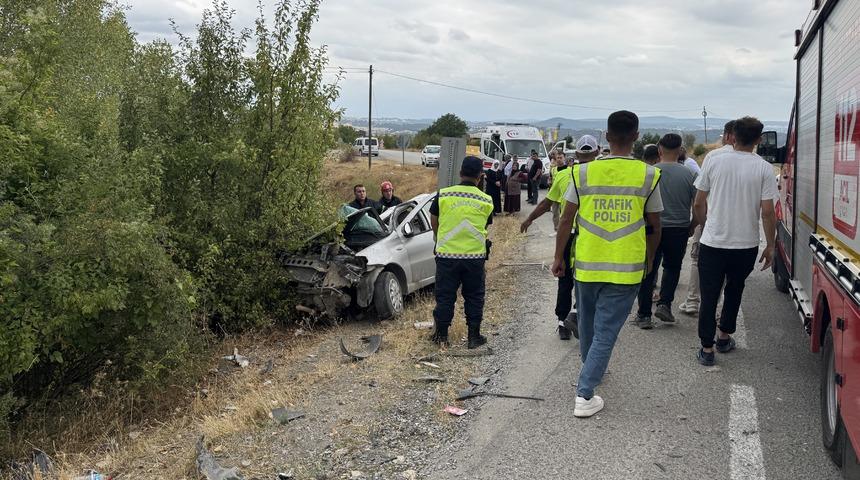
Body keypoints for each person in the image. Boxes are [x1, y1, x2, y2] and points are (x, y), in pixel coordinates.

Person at [553, 111, 662, 417]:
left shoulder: (582, 173)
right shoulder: (648, 175)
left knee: (588, 324)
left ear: (606, 136)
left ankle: (592, 368)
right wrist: (650, 258)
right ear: (637, 137)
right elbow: (655, 225)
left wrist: (559, 256)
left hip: (587, 262)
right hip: (626, 266)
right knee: (606, 331)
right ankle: (585, 394)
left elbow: (566, 219)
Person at [693, 117, 777, 366]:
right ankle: (723, 336)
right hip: (745, 244)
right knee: (734, 289)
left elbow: (699, 202)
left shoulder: (713, 159)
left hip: (713, 242)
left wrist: (706, 225)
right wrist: (770, 245)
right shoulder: (763, 168)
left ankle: (707, 349)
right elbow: (768, 212)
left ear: (733, 136)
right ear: (759, 140)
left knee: (709, 296)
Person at [521, 134, 600, 341]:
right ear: (597, 152)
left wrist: (529, 219)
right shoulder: (602, 175)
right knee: (587, 280)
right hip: (591, 237)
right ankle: (576, 313)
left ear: (576, 155)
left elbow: (547, 203)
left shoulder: (565, 176)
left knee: (564, 279)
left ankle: (562, 321)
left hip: (567, 235)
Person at [429, 156, 495, 349]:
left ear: (460, 173)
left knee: (445, 296)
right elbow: (485, 224)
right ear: (480, 176)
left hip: (447, 256)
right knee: (474, 296)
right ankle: (473, 337)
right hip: (474, 257)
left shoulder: (443, 195)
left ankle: (441, 336)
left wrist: (440, 238)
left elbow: (434, 220)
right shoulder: (486, 200)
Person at [634, 133, 697, 329]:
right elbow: (698, 206)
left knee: (648, 268)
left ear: (659, 150)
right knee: (672, 267)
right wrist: (692, 226)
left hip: (652, 228)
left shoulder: (649, 172)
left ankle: (644, 314)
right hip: (679, 228)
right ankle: (664, 305)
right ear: (680, 150)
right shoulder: (690, 174)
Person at [679, 120, 735, 315]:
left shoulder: (713, 157)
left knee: (696, 259)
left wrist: (700, 223)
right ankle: (719, 308)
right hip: (736, 225)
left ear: (728, 136)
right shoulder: (753, 161)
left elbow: (699, 199)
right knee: (728, 270)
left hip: (711, 219)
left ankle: (693, 300)